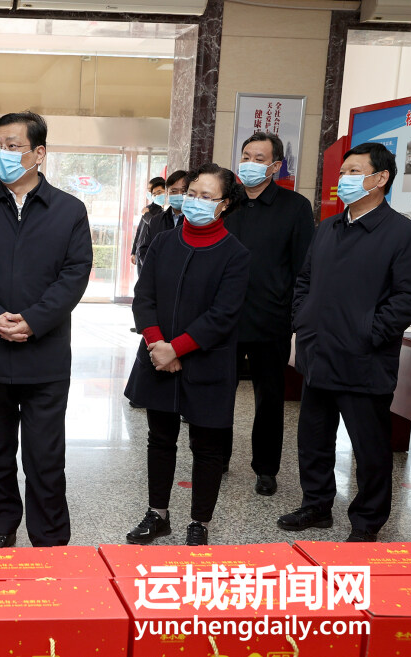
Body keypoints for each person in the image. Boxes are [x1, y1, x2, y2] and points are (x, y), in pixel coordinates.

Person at [0, 111, 92, 548]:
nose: (2, 154)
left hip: (44, 354)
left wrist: (34, 320)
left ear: (39, 153)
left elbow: (75, 273)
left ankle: (50, 536)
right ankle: (3, 523)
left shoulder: (69, 210)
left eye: (12, 146)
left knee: (45, 455)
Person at [278, 142, 411, 542]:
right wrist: (303, 320)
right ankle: (316, 505)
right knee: (313, 438)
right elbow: (305, 280)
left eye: (354, 172)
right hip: (317, 353)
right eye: (342, 171)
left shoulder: (406, 234)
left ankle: (366, 523)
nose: (344, 179)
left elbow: (410, 297)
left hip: (364, 360)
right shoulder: (328, 228)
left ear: (380, 179)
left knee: (370, 448)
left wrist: (369, 332)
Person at [124, 163, 250, 547]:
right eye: (192, 194)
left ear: (225, 204)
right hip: (157, 356)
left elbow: (223, 315)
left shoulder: (235, 254)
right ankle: (157, 514)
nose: (195, 202)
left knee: (207, 447)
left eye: (206, 197)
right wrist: (157, 345)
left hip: (207, 362)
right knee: (160, 439)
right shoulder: (164, 242)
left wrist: (176, 348)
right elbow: (144, 298)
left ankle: (200, 522)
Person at [224, 132, 315, 496]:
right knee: (218, 392)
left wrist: (295, 317)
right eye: (246, 156)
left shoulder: (295, 207)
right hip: (223, 320)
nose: (249, 163)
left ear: (275, 166)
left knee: (270, 398)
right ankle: (217, 457)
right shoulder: (225, 202)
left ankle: (265, 469)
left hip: (271, 320)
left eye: (259, 158)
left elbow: (303, 268)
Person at [135, 170, 187, 267]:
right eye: (174, 191)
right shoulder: (156, 220)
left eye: (184, 191)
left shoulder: (195, 222)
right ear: (167, 193)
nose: (179, 195)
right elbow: (144, 250)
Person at [131, 176, 166, 272]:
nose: (154, 195)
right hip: (140, 253)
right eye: (152, 192)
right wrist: (134, 251)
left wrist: (146, 215)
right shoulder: (148, 208)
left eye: (159, 192)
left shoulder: (165, 211)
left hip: (152, 255)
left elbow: (157, 226)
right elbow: (139, 231)